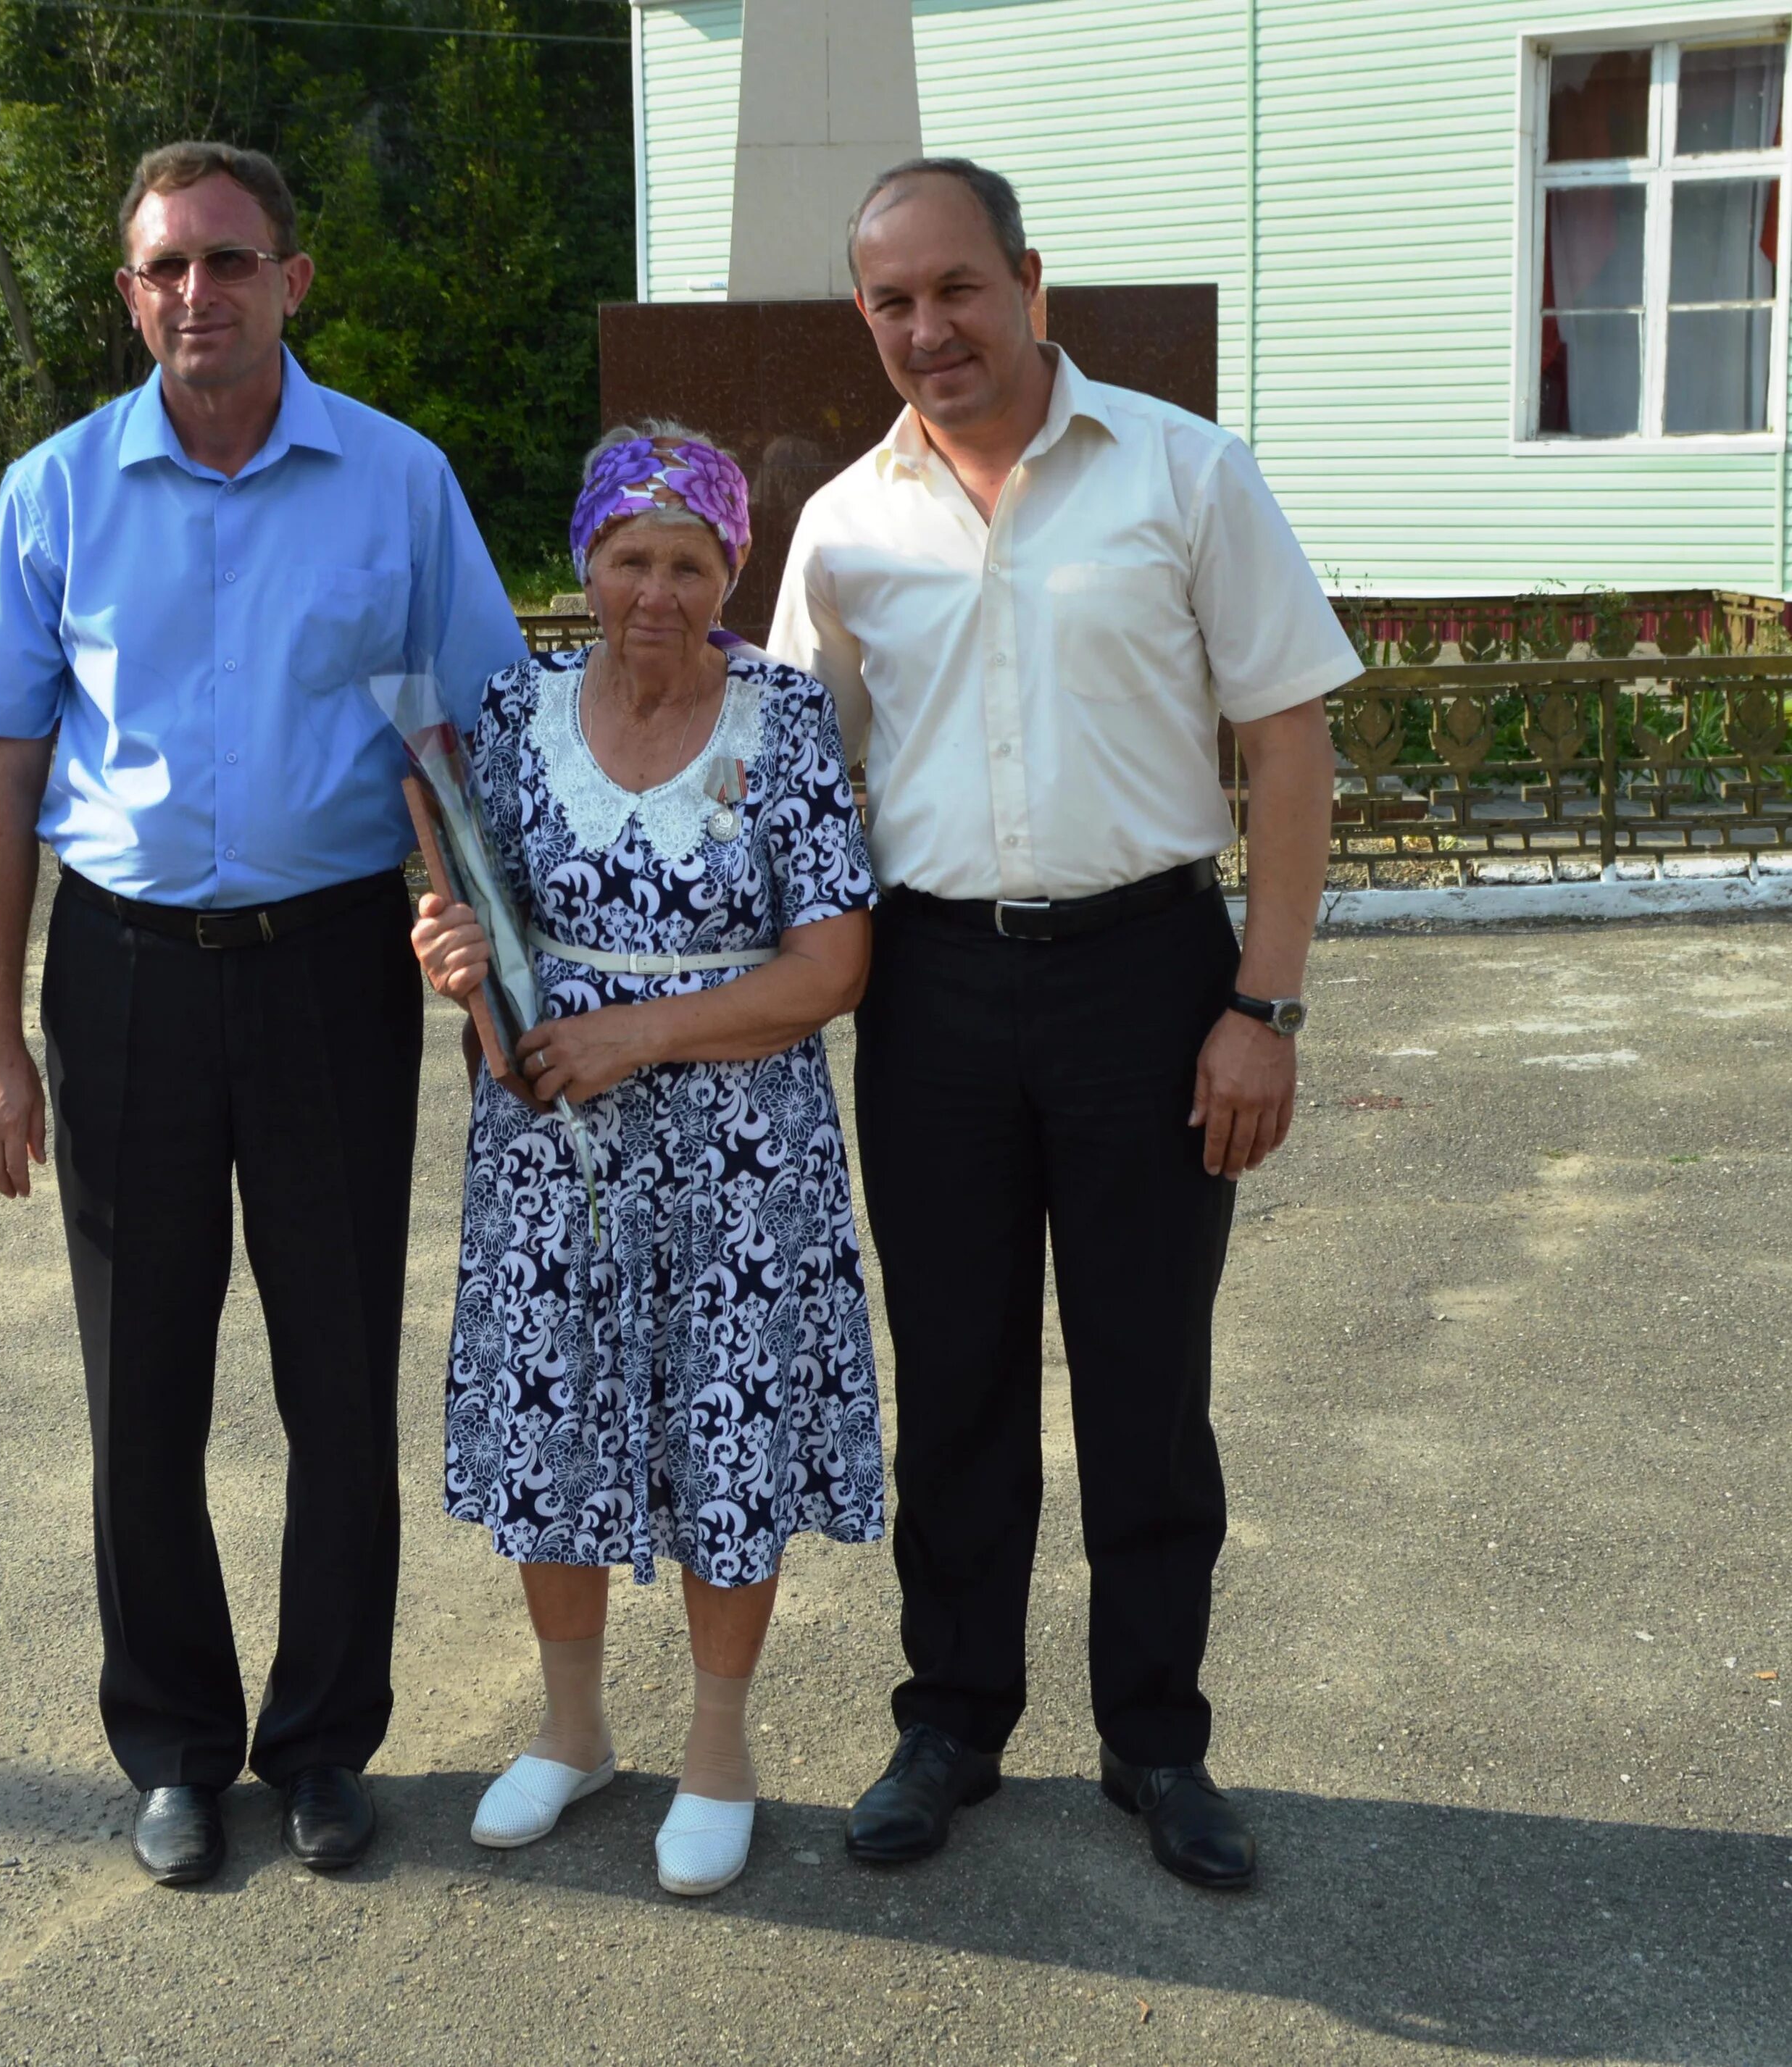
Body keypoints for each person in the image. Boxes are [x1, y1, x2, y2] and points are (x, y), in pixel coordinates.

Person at [770, 158, 1358, 1889]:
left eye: (955, 287)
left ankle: (1154, 1738)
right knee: (950, 1376)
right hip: (932, 989)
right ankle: (950, 1716)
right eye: (890, 301)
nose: (927, 328)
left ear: (1027, 280)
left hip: (1146, 981)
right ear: (862, 317)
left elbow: (1286, 745)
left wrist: (1262, 1002)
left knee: (1143, 1379)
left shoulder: (1183, 471)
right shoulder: (846, 525)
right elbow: (796, 780)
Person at [0, 141, 523, 1889]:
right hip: (119, 978)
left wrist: (499, 970)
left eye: (228, 258)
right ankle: (181, 1745)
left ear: (291, 278)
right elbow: (2, 768)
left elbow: (470, 739)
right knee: (146, 1384)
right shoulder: (55, 492)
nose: (194, 292)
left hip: (333, 971)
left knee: (340, 1368)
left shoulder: (396, 483)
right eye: (163, 267)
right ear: (130, 293)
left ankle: (328, 1737)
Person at [410, 427, 881, 1898]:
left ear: (732, 572)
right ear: (587, 565)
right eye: (631, 558)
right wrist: (452, 957)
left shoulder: (784, 719)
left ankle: (721, 1750)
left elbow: (833, 965)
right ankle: (569, 1730)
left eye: (690, 562)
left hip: (742, 1143)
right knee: (557, 1411)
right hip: (554, 1139)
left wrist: (648, 1036)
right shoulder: (511, 710)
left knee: (726, 1421)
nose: (658, 590)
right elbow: (469, 904)